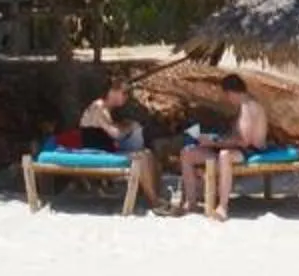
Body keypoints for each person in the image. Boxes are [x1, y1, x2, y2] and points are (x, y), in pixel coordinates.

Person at [174, 74, 276, 219]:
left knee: (224, 156)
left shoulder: (249, 107)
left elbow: (244, 141)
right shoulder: (242, 106)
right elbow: (235, 136)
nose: (227, 99)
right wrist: (213, 139)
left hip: (250, 151)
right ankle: (191, 202)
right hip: (236, 148)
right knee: (187, 154)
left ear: (231, 92)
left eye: (227, 95)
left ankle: (223, 206)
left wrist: (213, 143)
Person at [79, 77, 161, 208]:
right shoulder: (99, 107)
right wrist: (131, 127)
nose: (127, 97)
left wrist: (127, 126)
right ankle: (155, 203)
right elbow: (115, 134)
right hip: (97, 153)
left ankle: (155, 196)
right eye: (124, 92)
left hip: (104, 149)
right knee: (143, 157)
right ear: (112, 91)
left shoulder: (106, 109)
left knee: (148, 154)